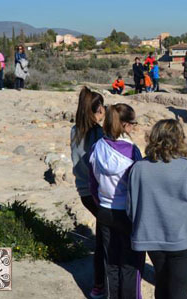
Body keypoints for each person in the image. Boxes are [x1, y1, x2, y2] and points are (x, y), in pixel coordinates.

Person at [127, 120, 187, 299]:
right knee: (178, 289)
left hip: (152, 238)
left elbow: (131, 206)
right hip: (182, 237)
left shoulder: (139, 167)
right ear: (179, 139)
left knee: (161, 283)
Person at [89, 103, 145, 299]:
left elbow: (92, 184)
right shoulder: (132, 151)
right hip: (127, 213)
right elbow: (139, 184)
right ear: (125, 125)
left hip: (104, 210)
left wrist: (101, 203)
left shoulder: (97, 147)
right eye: (132, 124)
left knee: (110, 262)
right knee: (130, 263)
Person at [70, 87, 106, 299]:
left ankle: (100, 283)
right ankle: (100, 285)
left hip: (83, 191)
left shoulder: (75, 130)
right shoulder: (97, 133)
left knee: (103, 234)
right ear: (97, 109)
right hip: (96, 193)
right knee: (104, 239)